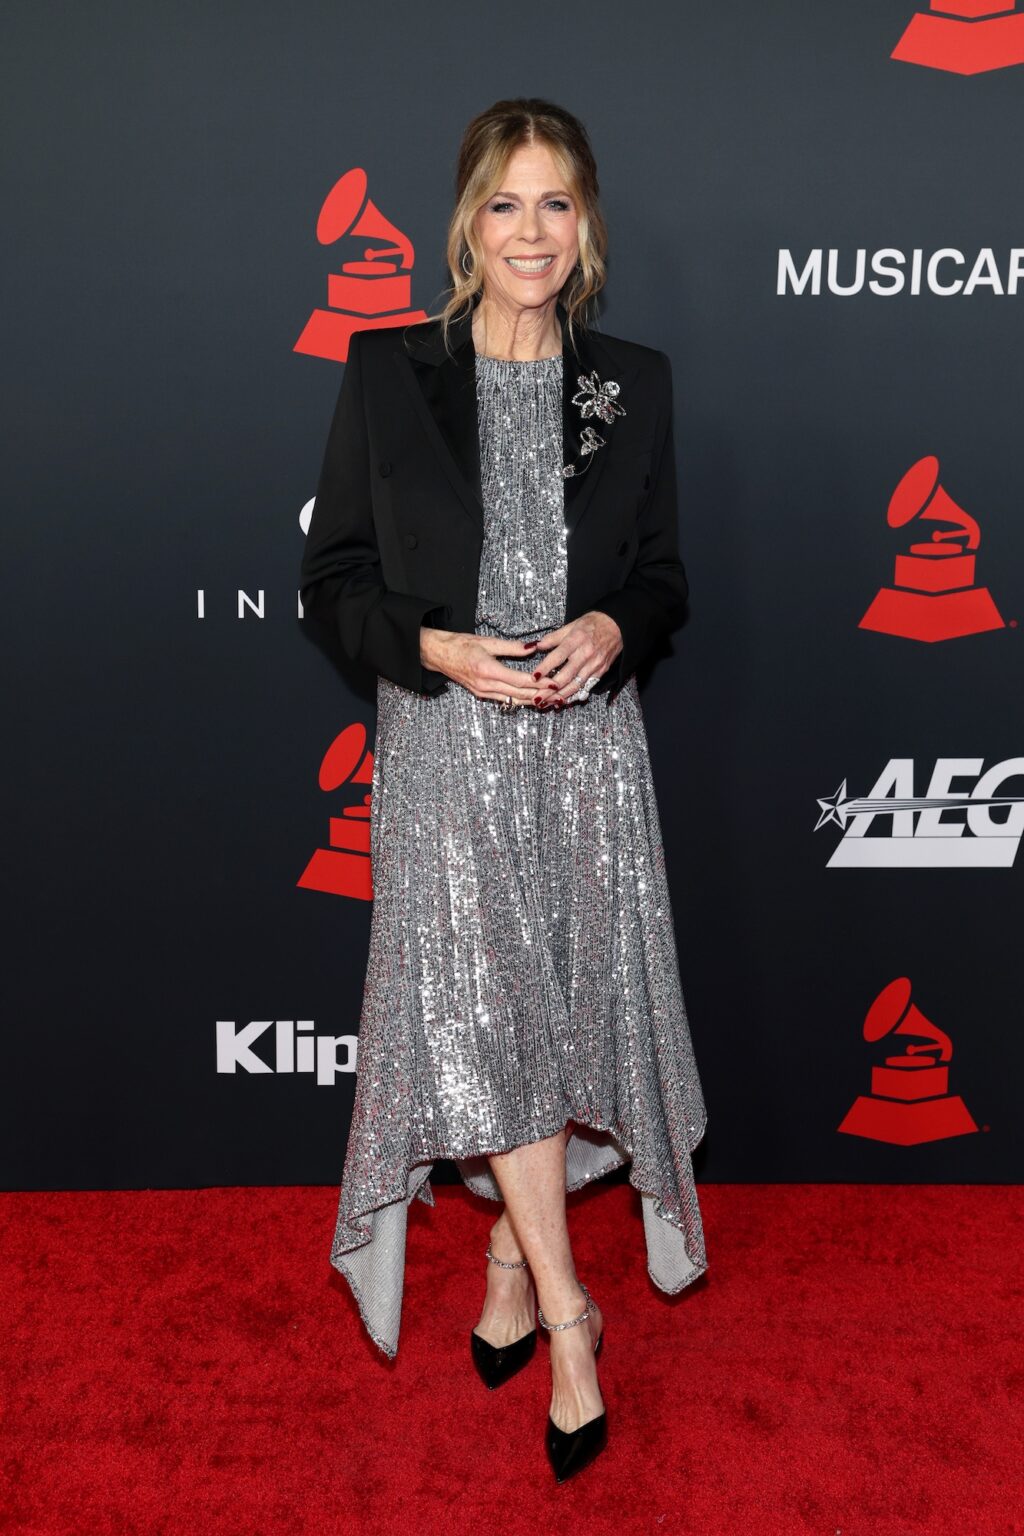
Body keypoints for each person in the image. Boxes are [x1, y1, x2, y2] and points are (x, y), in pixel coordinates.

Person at [299, 96, 707, 1484]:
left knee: (565, 1015)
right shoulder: (387, 374)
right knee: (495, 1018)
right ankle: (576, 1321)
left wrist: (613, 631)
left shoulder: (633, 383)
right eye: (504, 204)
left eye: (556, 205)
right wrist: (433, 646)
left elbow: (662, 582)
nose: (531, 232)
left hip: (588, 757)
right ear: (465, 222)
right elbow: (333, 583)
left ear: (586, 222)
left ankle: (508, 1249)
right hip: (450, 752)